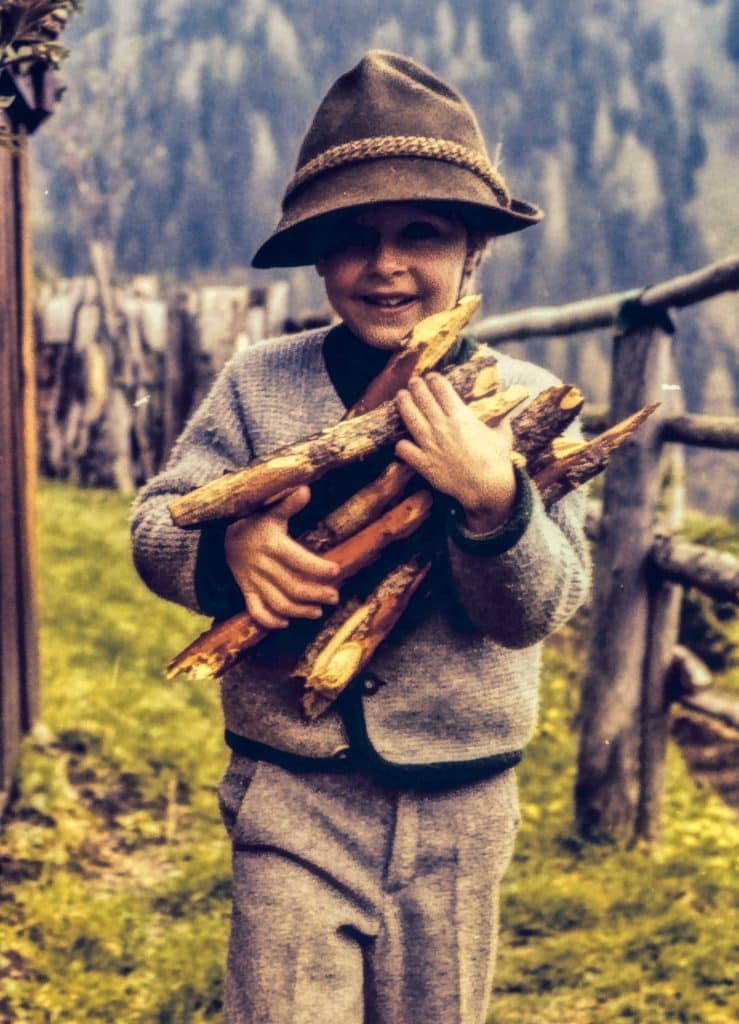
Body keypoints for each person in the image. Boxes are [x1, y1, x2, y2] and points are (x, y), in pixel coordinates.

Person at [132, 50, 590, 1024]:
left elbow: (537, 609)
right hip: (292, 792)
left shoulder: (527, 412)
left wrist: (494, 504)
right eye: (352, 238)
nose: (384, 264)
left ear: (472, 248)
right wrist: (228, 555)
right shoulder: (262, 384)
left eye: (419, 233)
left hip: (461, 807)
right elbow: (156, 518)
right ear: (319, 256)